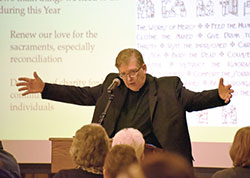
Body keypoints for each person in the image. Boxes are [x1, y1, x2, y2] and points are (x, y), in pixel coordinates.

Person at [16, 48, 234, 164]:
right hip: (116, 162)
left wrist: (218, 95)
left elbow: (193, 100)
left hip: (157, 162)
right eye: (123, 73)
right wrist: (46, 88)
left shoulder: (168, 87)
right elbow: (82, 94)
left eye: (132, 72)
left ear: (144, 68)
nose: (128, 78)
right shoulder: (114, 85)